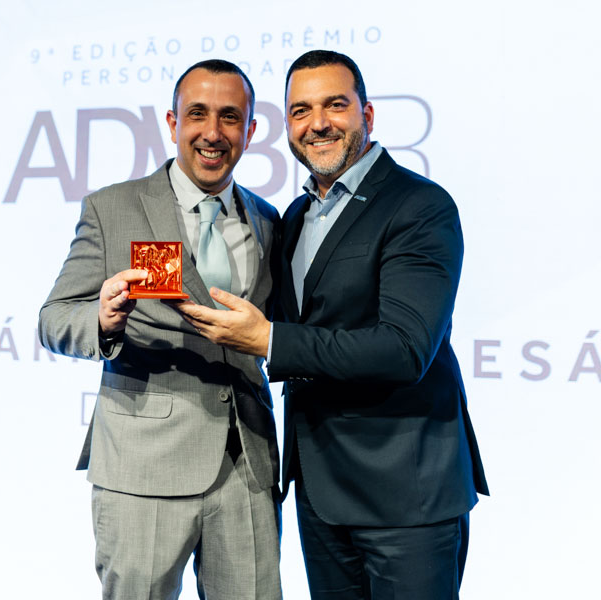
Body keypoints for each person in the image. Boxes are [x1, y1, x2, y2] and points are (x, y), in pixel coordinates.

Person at [173, 50, 489, 599]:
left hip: (406, 495)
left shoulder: (419, 205)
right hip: (320, 493)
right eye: (301, 110)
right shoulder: (294, 217)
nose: (317, 123)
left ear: (368, 114)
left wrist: (270, 339)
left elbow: (405, 349)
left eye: (335, 105)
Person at [38, 59, 282, 600]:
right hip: (143, 471)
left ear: (250, 131)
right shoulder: (113, 208)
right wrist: (102, 320)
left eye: (229, 117)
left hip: (247, 466)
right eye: (197, 114)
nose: (212, 132)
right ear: (172, 123)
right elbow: (54, 318)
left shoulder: (268, 219)